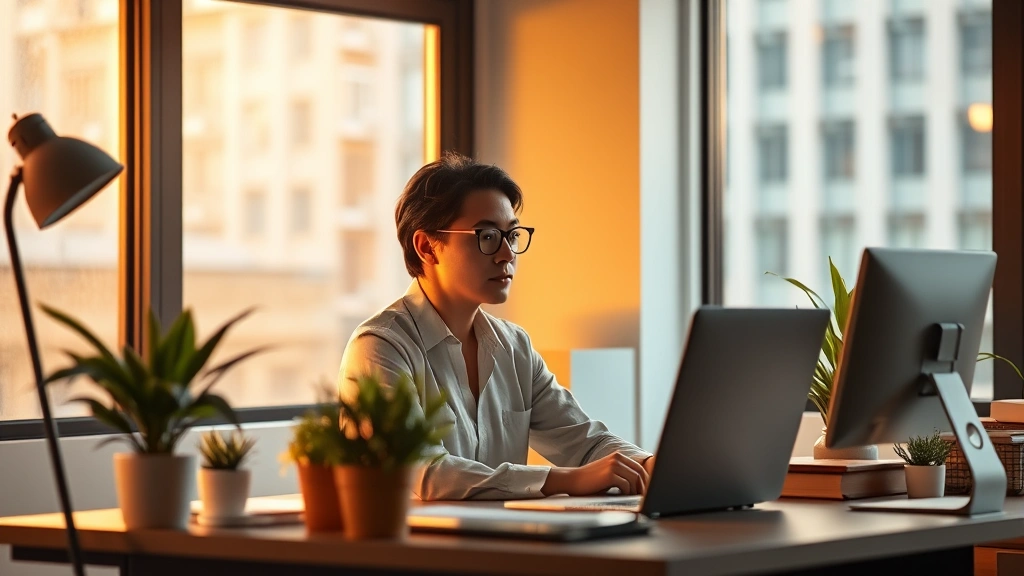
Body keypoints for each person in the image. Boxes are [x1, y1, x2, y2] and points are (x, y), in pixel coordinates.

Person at [339, 152, 654, 500]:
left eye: (512, 235)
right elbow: (420, 471)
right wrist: (562, 480)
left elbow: (584, 441)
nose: (507, 254)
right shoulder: (380, 347)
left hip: (502, 545)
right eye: (488, 236)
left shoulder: (514, 347)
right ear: (427, 247)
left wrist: (650, 465)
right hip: (416, 550)